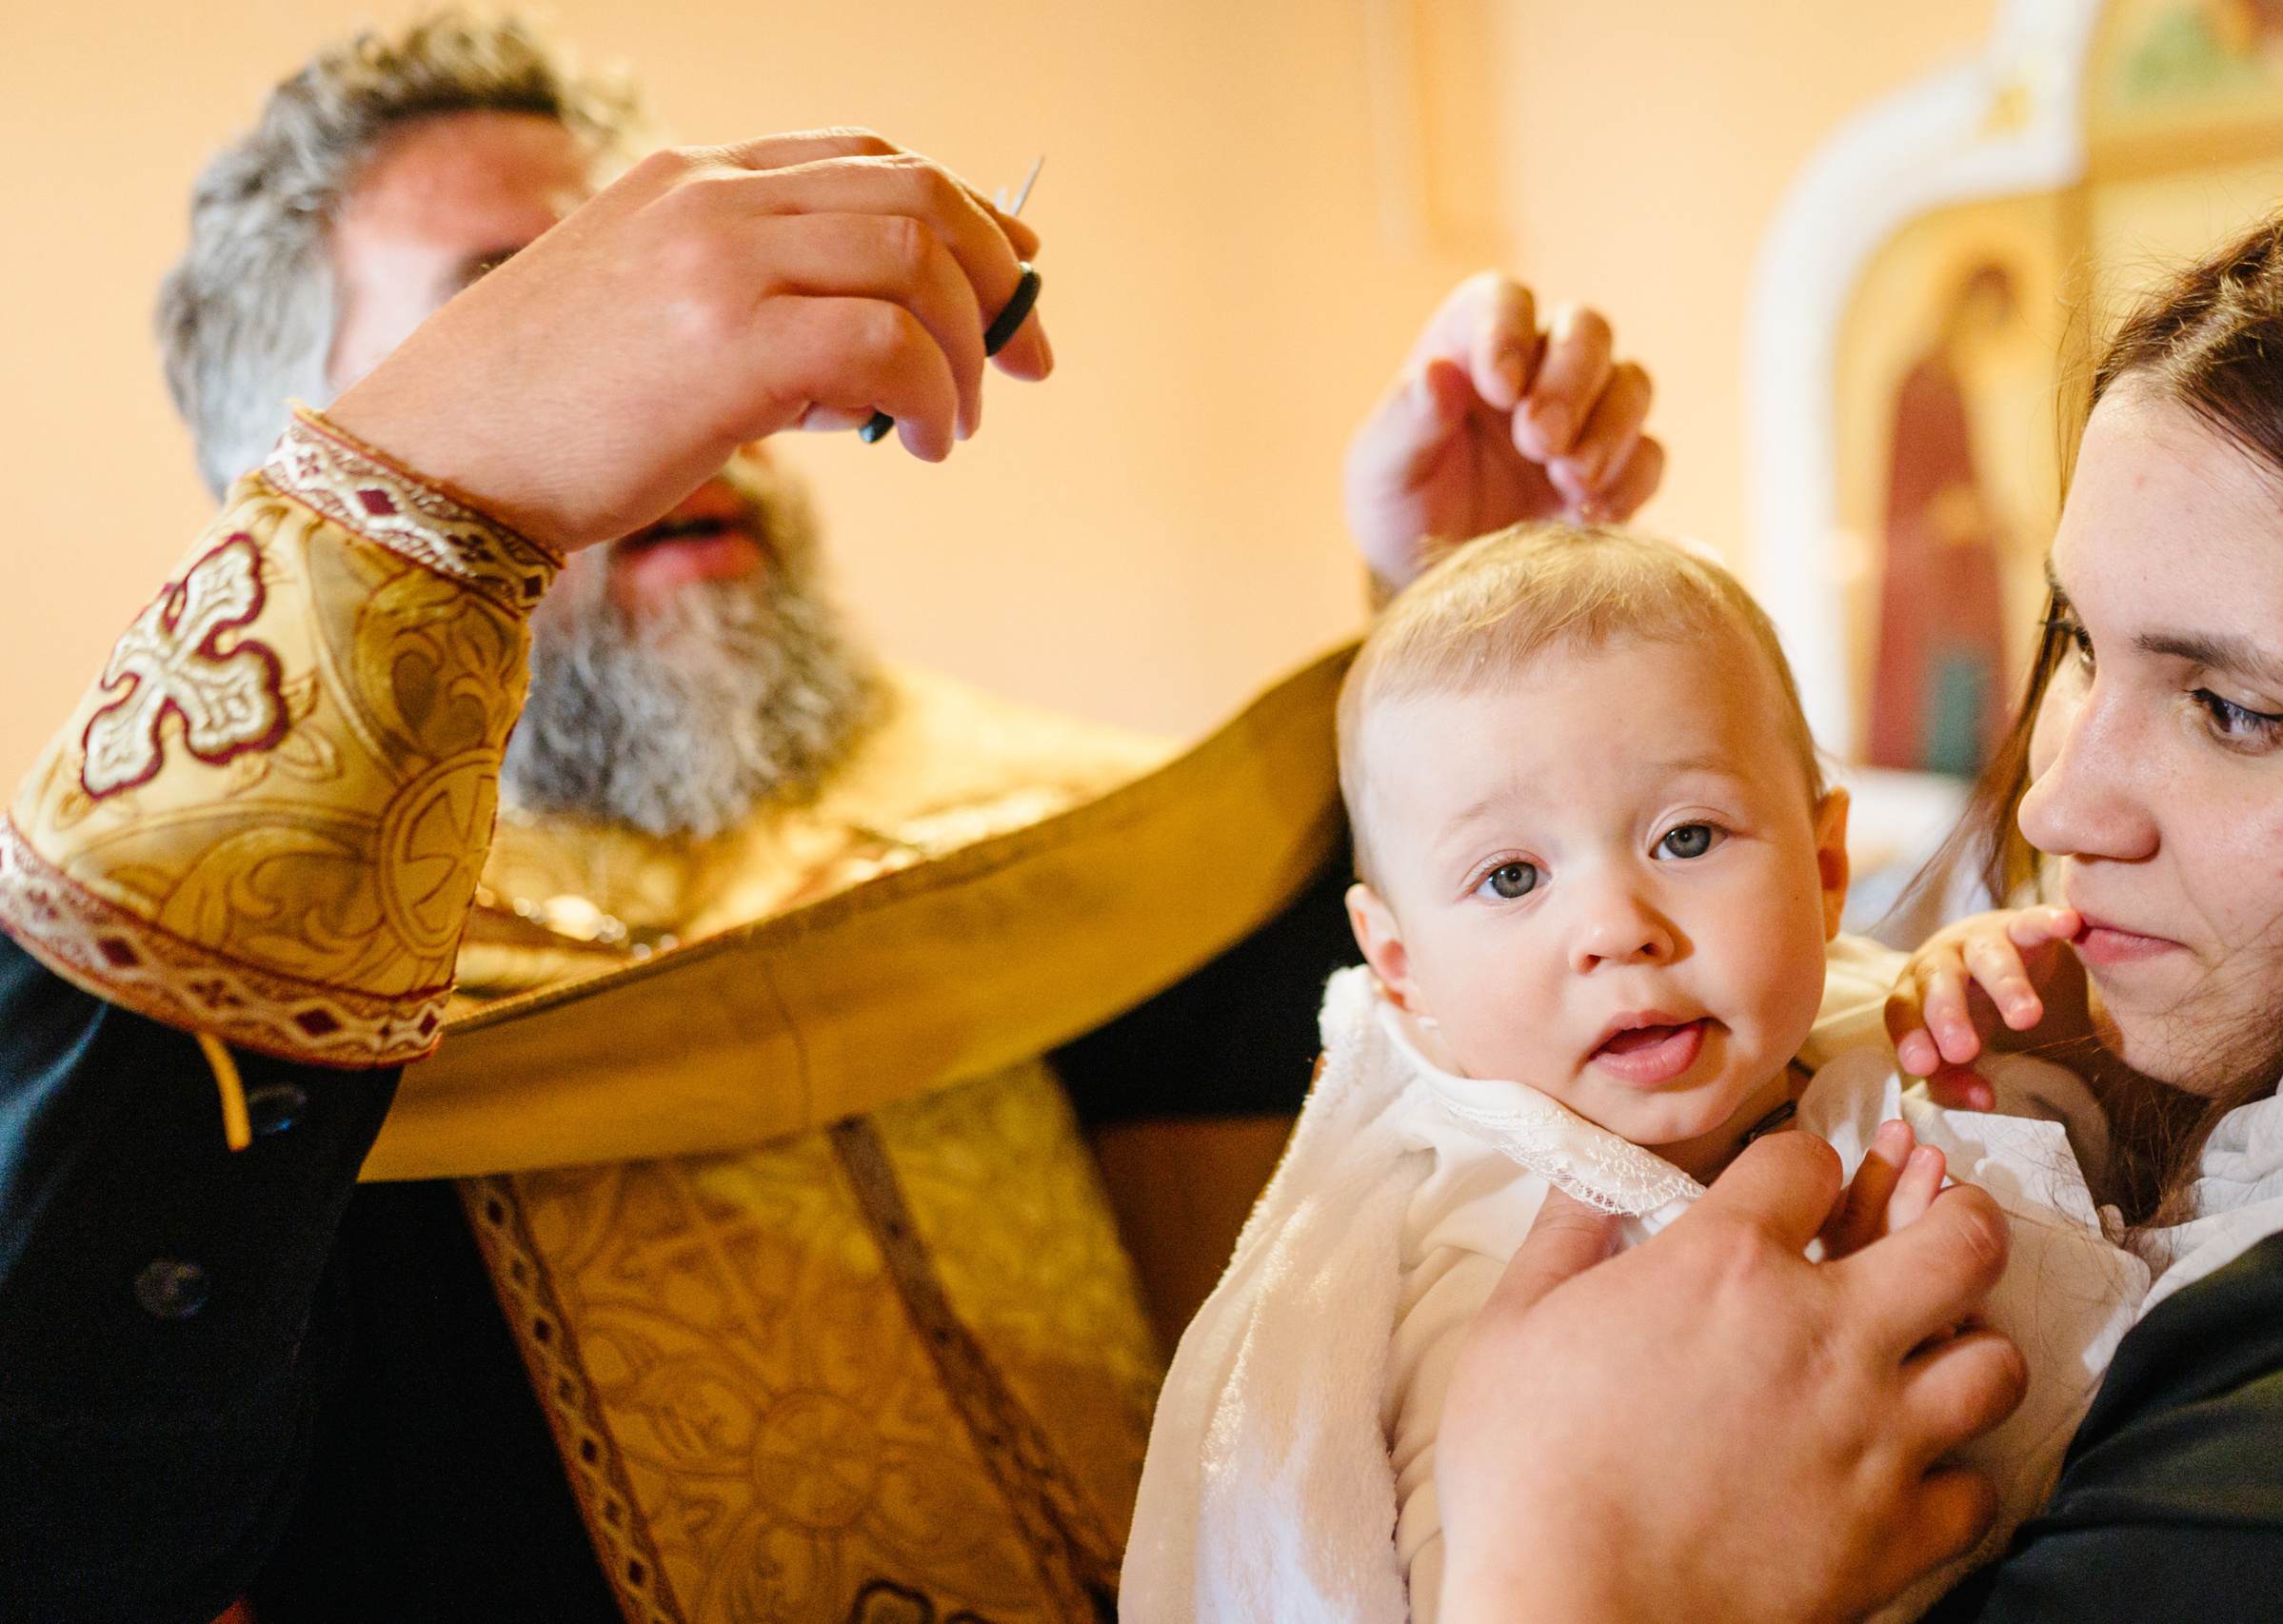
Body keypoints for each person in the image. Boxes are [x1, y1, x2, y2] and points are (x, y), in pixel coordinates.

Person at [0, 14, 1675, 1624]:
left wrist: (1463, 638)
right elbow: (73, 1517)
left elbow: (1456, 1122)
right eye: (541, 334)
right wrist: (435, 502)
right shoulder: (208, 1042)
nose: (694, 412)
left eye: (667, 311)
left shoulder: (1026, 848)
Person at [1428, 168, 2283, 1622]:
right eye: (2080, 639)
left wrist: (1562, 1563)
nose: (2056, 805)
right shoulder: (2120, 1072)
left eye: (2229, 708)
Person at [1121, 524, 2144, 1624]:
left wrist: (2024, 1026)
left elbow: (2126, 1177)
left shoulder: (1891, 1048)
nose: (1616, 926)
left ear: (1825, 866)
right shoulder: (1469, 1266)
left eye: (1687, 836)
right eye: (1511, 874)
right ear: (1402, 965)